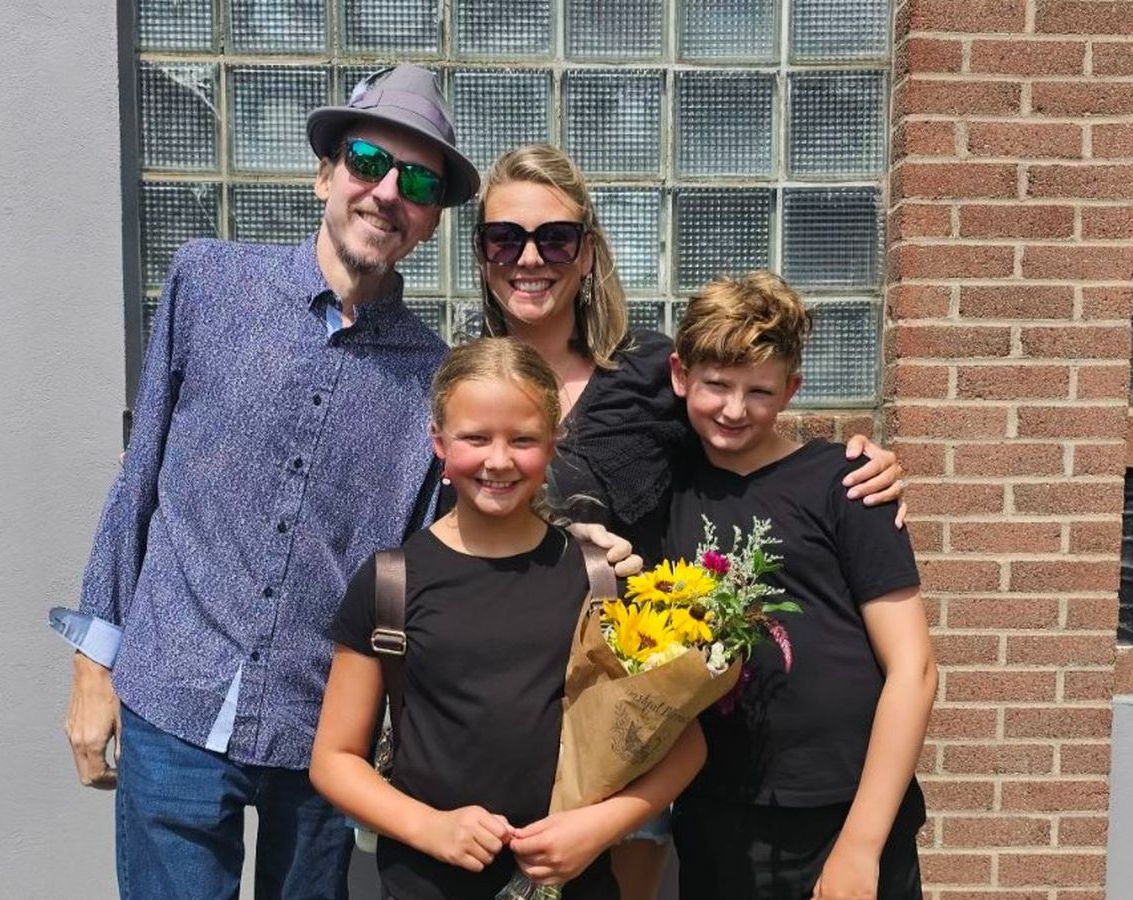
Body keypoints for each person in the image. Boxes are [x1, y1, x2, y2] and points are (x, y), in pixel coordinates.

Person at [47, 65, 483, 899]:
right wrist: (92, 666)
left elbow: (424, 569)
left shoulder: (435, 379)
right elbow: (139, 481)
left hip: (319, 732)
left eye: (419, 182)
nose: (388, 193)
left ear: (431, 221)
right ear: (325, 174)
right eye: (367, 162)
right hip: (171, 694)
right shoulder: (207, 283)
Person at [471, 144, 910, 897]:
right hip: (509, 702)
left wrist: (860, 464)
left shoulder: (651, 371)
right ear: (482, 251)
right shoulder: (466, 378)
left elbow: (745, 427)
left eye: (556, 238)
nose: (530, 258)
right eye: (505, 238)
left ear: (587, 252)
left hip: (640, 713)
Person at [310, 337, 707, 900]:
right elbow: (334, 759)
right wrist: (429, 827)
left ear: (552, 444)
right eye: (475, 438)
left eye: (522, 440)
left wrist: (597, 828)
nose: (498, 460)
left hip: (575, 885)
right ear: (439, 443)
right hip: (428, 887)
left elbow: (686, 747)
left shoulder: (597, 579)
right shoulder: (390, 582)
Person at [664, 272, 937, 899]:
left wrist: (861, 846)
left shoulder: (847, 484)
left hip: (843, 810)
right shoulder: (662, 485)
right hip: (716, 811)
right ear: (681, 374)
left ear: (791, 390)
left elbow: (914, 668)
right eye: (716, 385)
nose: (734, 409)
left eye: (759, 391)